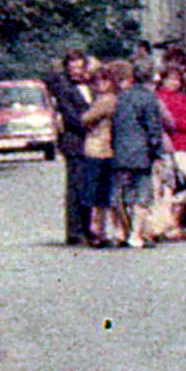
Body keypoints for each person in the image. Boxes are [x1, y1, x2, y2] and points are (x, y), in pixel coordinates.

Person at [107, 59, 168, 247]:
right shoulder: (149, 98)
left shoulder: (120, 97)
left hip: (119, 150)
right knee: (143, 194)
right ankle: (136, 233)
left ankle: (121, 231)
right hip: (142, 152)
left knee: (120, 193)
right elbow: (154, 129)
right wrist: (157, 153)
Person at [43, 48, 94, 248]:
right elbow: (71, 116)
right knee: (76, 187)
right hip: (76, 142)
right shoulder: (65, 89)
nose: (76, 71)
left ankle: (89, 227)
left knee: (90, 185)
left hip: (93, 143)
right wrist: (92, 125)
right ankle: (75, 231)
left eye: (79, 67)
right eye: (72, 68)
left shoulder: (91, 87)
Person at [156, 61, 186, 237]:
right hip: (173, 145)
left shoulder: (183, 97)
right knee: (174, 186)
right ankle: (169, 225)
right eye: (171, 79)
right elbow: (171, 121)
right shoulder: (161, 97)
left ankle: (178, 223)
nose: (175, 83)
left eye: (177, 80)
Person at [77, 65, 121, 246]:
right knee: (102, 194)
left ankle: (101, 230)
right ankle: (104, 231)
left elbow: (86, 118)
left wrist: (88, 118)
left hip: (100, 148)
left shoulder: (107, 100)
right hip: (101, 148)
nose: (100, 85)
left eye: (104, 81)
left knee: (101, 194)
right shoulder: (105, 99)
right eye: (96, 82)